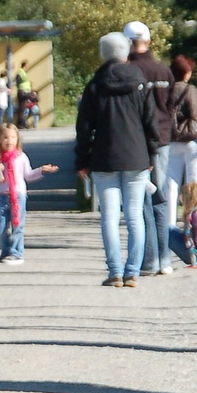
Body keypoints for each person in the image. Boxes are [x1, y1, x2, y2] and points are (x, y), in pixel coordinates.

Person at [75, 31, 161, 287]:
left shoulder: (94, 85)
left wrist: (82, 159)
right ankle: (132, 271)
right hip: (137, 157)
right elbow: (150, 121)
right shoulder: (140, 83)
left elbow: (84, 127)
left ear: (103, 54)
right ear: (126, 52)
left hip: (103, 158)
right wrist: (151, 153)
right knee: (134, 216)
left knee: (109, 217)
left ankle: (114, 271)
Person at [122, 20, 175, 275]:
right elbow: (172, 105)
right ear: (149, 41)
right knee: (160, 199)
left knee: (142, 200)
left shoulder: (129, 71)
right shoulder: (164, 70)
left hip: (139, 142)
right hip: (163, 139)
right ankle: (165, 259)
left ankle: (149, 259)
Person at [0, 121, 58, 264]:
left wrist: (41, 170)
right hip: (2, 197)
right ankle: (6, 251)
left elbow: (28, 175)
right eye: (5, 137)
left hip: (18, 196)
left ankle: (16, 253)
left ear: (17, 140)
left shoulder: (21, 157)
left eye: (12, 137)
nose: (9, 141)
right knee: (0, 227)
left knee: (17, 225)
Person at [166, 54, 197, 229]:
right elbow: (196, 116)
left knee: (171, 184)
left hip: (171, 141)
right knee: (193, 184)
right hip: (191, 141)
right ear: (187, 73)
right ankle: (191, 224)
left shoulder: (166, 89)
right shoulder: (190, 89)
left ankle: (169, 225)